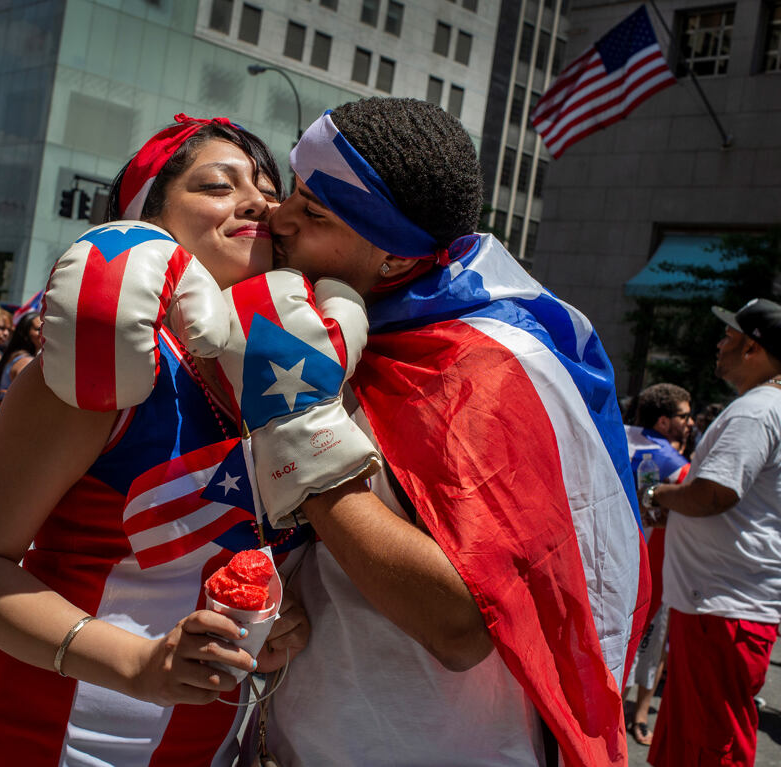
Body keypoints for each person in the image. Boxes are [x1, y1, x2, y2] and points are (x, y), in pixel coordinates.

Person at [261, 98, 645, 766]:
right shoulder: (343, 327)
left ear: (389, 254)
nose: (280, 218)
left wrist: (298, 435)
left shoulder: (486, 371)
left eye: (314, 213)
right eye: (292, 192)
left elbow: (460, 623)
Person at [0, 116, 311, 767]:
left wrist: (272, 620)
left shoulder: (267, 376)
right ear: (149, 218)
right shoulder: (100, 367)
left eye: (267, 189)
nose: (258, 202)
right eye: (220, 185)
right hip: (40, 740)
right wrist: (137, 662)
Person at [642, 298, 781, 767]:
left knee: (713, 748)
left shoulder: (755, 411)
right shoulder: (774, 408)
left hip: (725, 607)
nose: (719, 344)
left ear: (753, 348)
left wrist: (658, 497)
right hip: (719, 604)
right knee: (689, 743)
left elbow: (714, 494)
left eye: (729, 336)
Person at [623, 383, 693, 747]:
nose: (691, 422)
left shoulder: (611, 433)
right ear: (664, 422)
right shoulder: (673, 463)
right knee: (651, 644)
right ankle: (636, 717)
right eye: (684, 415)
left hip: (610, 563)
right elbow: (695, 506)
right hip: (652, 569)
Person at [0, 311, 42, 401]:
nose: (44, 333)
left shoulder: (17, 356)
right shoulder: (26, 362)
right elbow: (28, 398)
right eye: (39, 329)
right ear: (26, 334)